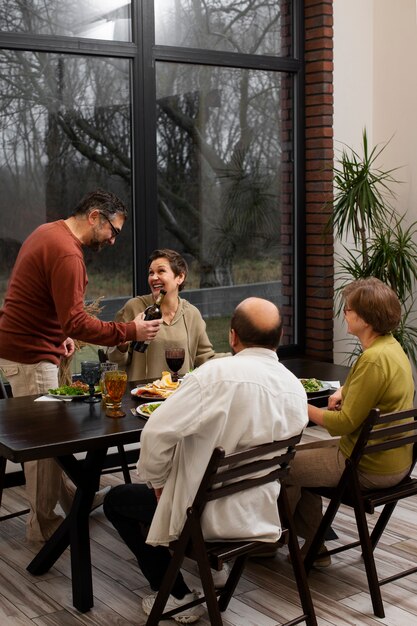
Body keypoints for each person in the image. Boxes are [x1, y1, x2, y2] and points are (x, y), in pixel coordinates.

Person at [103, 297, 309, 624]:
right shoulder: (295, 388)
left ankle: (176, 595)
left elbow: (155, 434)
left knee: (116, 500)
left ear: (232, 336)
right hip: (262, 513)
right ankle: (216, 572)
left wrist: (158, 485)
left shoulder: (215, 375)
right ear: (280, 336)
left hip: (204, 518)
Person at [0, 189, 162, 543]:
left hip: (34, 346)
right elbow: (75, 320)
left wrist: (58, 334)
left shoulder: (49, 233)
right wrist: (130, 330)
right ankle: (43, 529)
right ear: (94, 217)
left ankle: (73, 499)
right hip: (29, 356)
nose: (114, 240)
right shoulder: (67, 253)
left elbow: (42, 301)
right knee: (45, 445)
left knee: (56, 435)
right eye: (113, 231)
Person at [285, 277, 415, 567]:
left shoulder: (371, 360)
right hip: (396, 461)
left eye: (349, 309)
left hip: (367, 466)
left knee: (284, 466)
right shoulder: (391, 349)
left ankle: (270, 542)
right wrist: (346, 389)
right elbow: (376, 391)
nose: (344, 313)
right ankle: (315, 546)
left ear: (365, 319)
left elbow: (342, 424)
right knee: (295, 456)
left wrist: (299, 405)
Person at [107, 248, 224, 381]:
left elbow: (205, 358)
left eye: (161, 271)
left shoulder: (192, 314)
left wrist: (240, 355)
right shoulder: (134, 307)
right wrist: (122, 344)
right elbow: (114, 361)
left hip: (180, 395)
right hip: (142, 396)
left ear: (180, 277)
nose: (154, 277)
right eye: (151, 273)